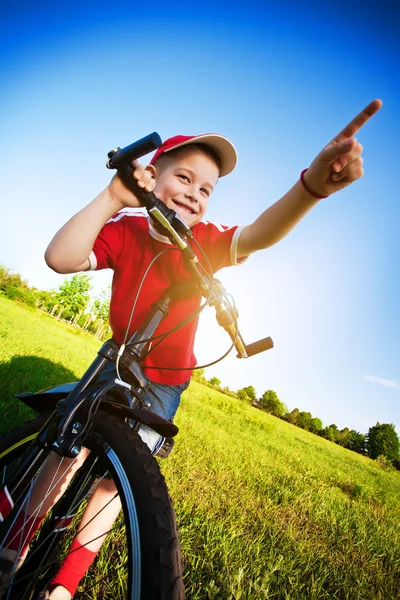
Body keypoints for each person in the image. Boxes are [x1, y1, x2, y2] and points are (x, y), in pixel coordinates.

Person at [0, 99, 382, 599]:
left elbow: (262, 233)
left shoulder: (204, 241)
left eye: (206, 189)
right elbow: (60, 257)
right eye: (184, 178)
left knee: (116, 484)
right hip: (115, 357)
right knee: (63, 453)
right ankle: (14, 546)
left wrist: (312, 187)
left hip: (165, 381)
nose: (195, 194)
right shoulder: (127, 229)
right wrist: (115, 196)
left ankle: (64, 585)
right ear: (151, 178)